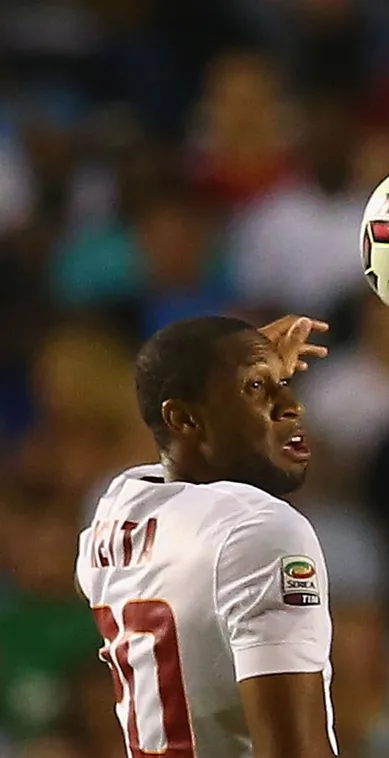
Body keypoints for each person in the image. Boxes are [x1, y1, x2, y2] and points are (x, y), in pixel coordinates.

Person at [75, 314, 338, 758]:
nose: (291, 404)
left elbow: (173, 452)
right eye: (257, 387)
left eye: (281, 382)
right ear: (184, 418)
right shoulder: (260, 528)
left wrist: (232, 370)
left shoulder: (116, 509)